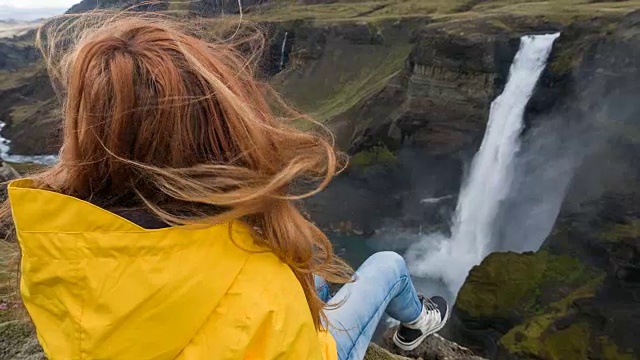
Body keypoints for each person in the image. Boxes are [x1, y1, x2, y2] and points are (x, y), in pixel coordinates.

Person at [2, 14, 448, 360]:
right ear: (220, 137)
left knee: (313, 275)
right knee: (387, 266)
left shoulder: (54, 248)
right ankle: (418, 325)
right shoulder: (256, 276)